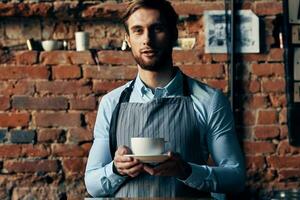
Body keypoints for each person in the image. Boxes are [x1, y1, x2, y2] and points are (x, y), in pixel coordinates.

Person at [85, 0, 245, 199]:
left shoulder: (209, 101)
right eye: (138, 30)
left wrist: (187, 171)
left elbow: (236, 177)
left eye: (157, 28)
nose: (147, 40)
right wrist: (116, 170)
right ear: (128, 38)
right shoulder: (111, 104)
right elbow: (92, 184)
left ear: (173, 34)